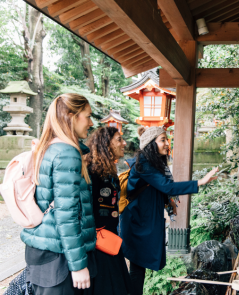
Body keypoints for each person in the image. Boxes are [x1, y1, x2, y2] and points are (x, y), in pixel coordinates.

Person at [119, 126, 219, 295]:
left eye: (167, 139)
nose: (167, 143)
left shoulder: (153, 162)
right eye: (162, 140)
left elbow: (158, 188)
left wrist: (168, 201)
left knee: (139, 264)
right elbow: (167, 186)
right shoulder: (143, 162)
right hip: (137, 220)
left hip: (143, 219)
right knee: (137, 265)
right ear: (151, 144)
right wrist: (200, 182)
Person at [20, 94, 97, 295]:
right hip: (60, 257)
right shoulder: (67, 153)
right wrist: (78, 266)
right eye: (87, 116)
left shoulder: (49, 147)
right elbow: (67, 214)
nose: (91, 123)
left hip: (45, 249)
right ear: (71, 116)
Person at [84, 126, 133, 295]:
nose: (124, 143)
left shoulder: (108, 171)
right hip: (98, 245)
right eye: (119, 139)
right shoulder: (93, 172)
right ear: (106, 144)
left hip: (110, 240)